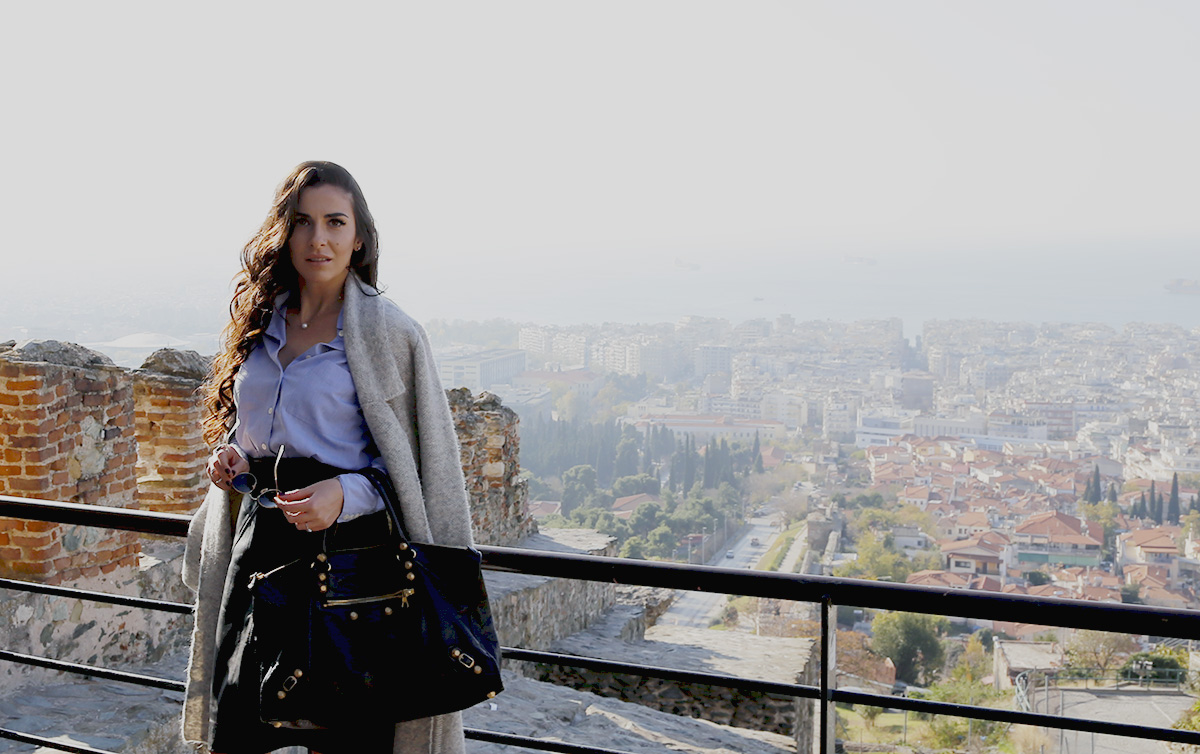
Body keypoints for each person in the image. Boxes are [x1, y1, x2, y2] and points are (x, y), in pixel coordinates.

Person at [182, 161, 474, 754]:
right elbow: (258, 424)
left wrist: (346, 494)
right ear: (284, 231)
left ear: (358, 237)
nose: (319, 239)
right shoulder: (259, 320)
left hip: (349, 561)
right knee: (238, 728)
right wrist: (234, 456)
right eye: (303, 221)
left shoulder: (391, 334)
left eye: (335, 222)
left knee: (345, 739)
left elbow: (417, 468)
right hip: (260, 549)